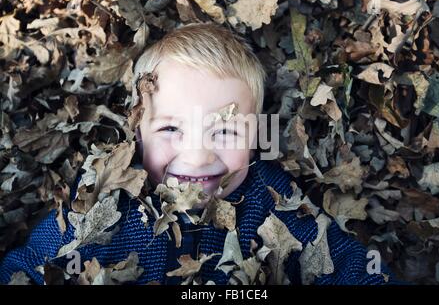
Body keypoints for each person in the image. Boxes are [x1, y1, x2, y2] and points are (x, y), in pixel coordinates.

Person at [0, 23, 399, 285]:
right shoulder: (103, 202)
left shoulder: (270, 197)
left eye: (224, 130)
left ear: (255, 136)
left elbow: (348, 263)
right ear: (138, 134)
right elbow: (30, 266)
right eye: (171, 128)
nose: (197, 154)